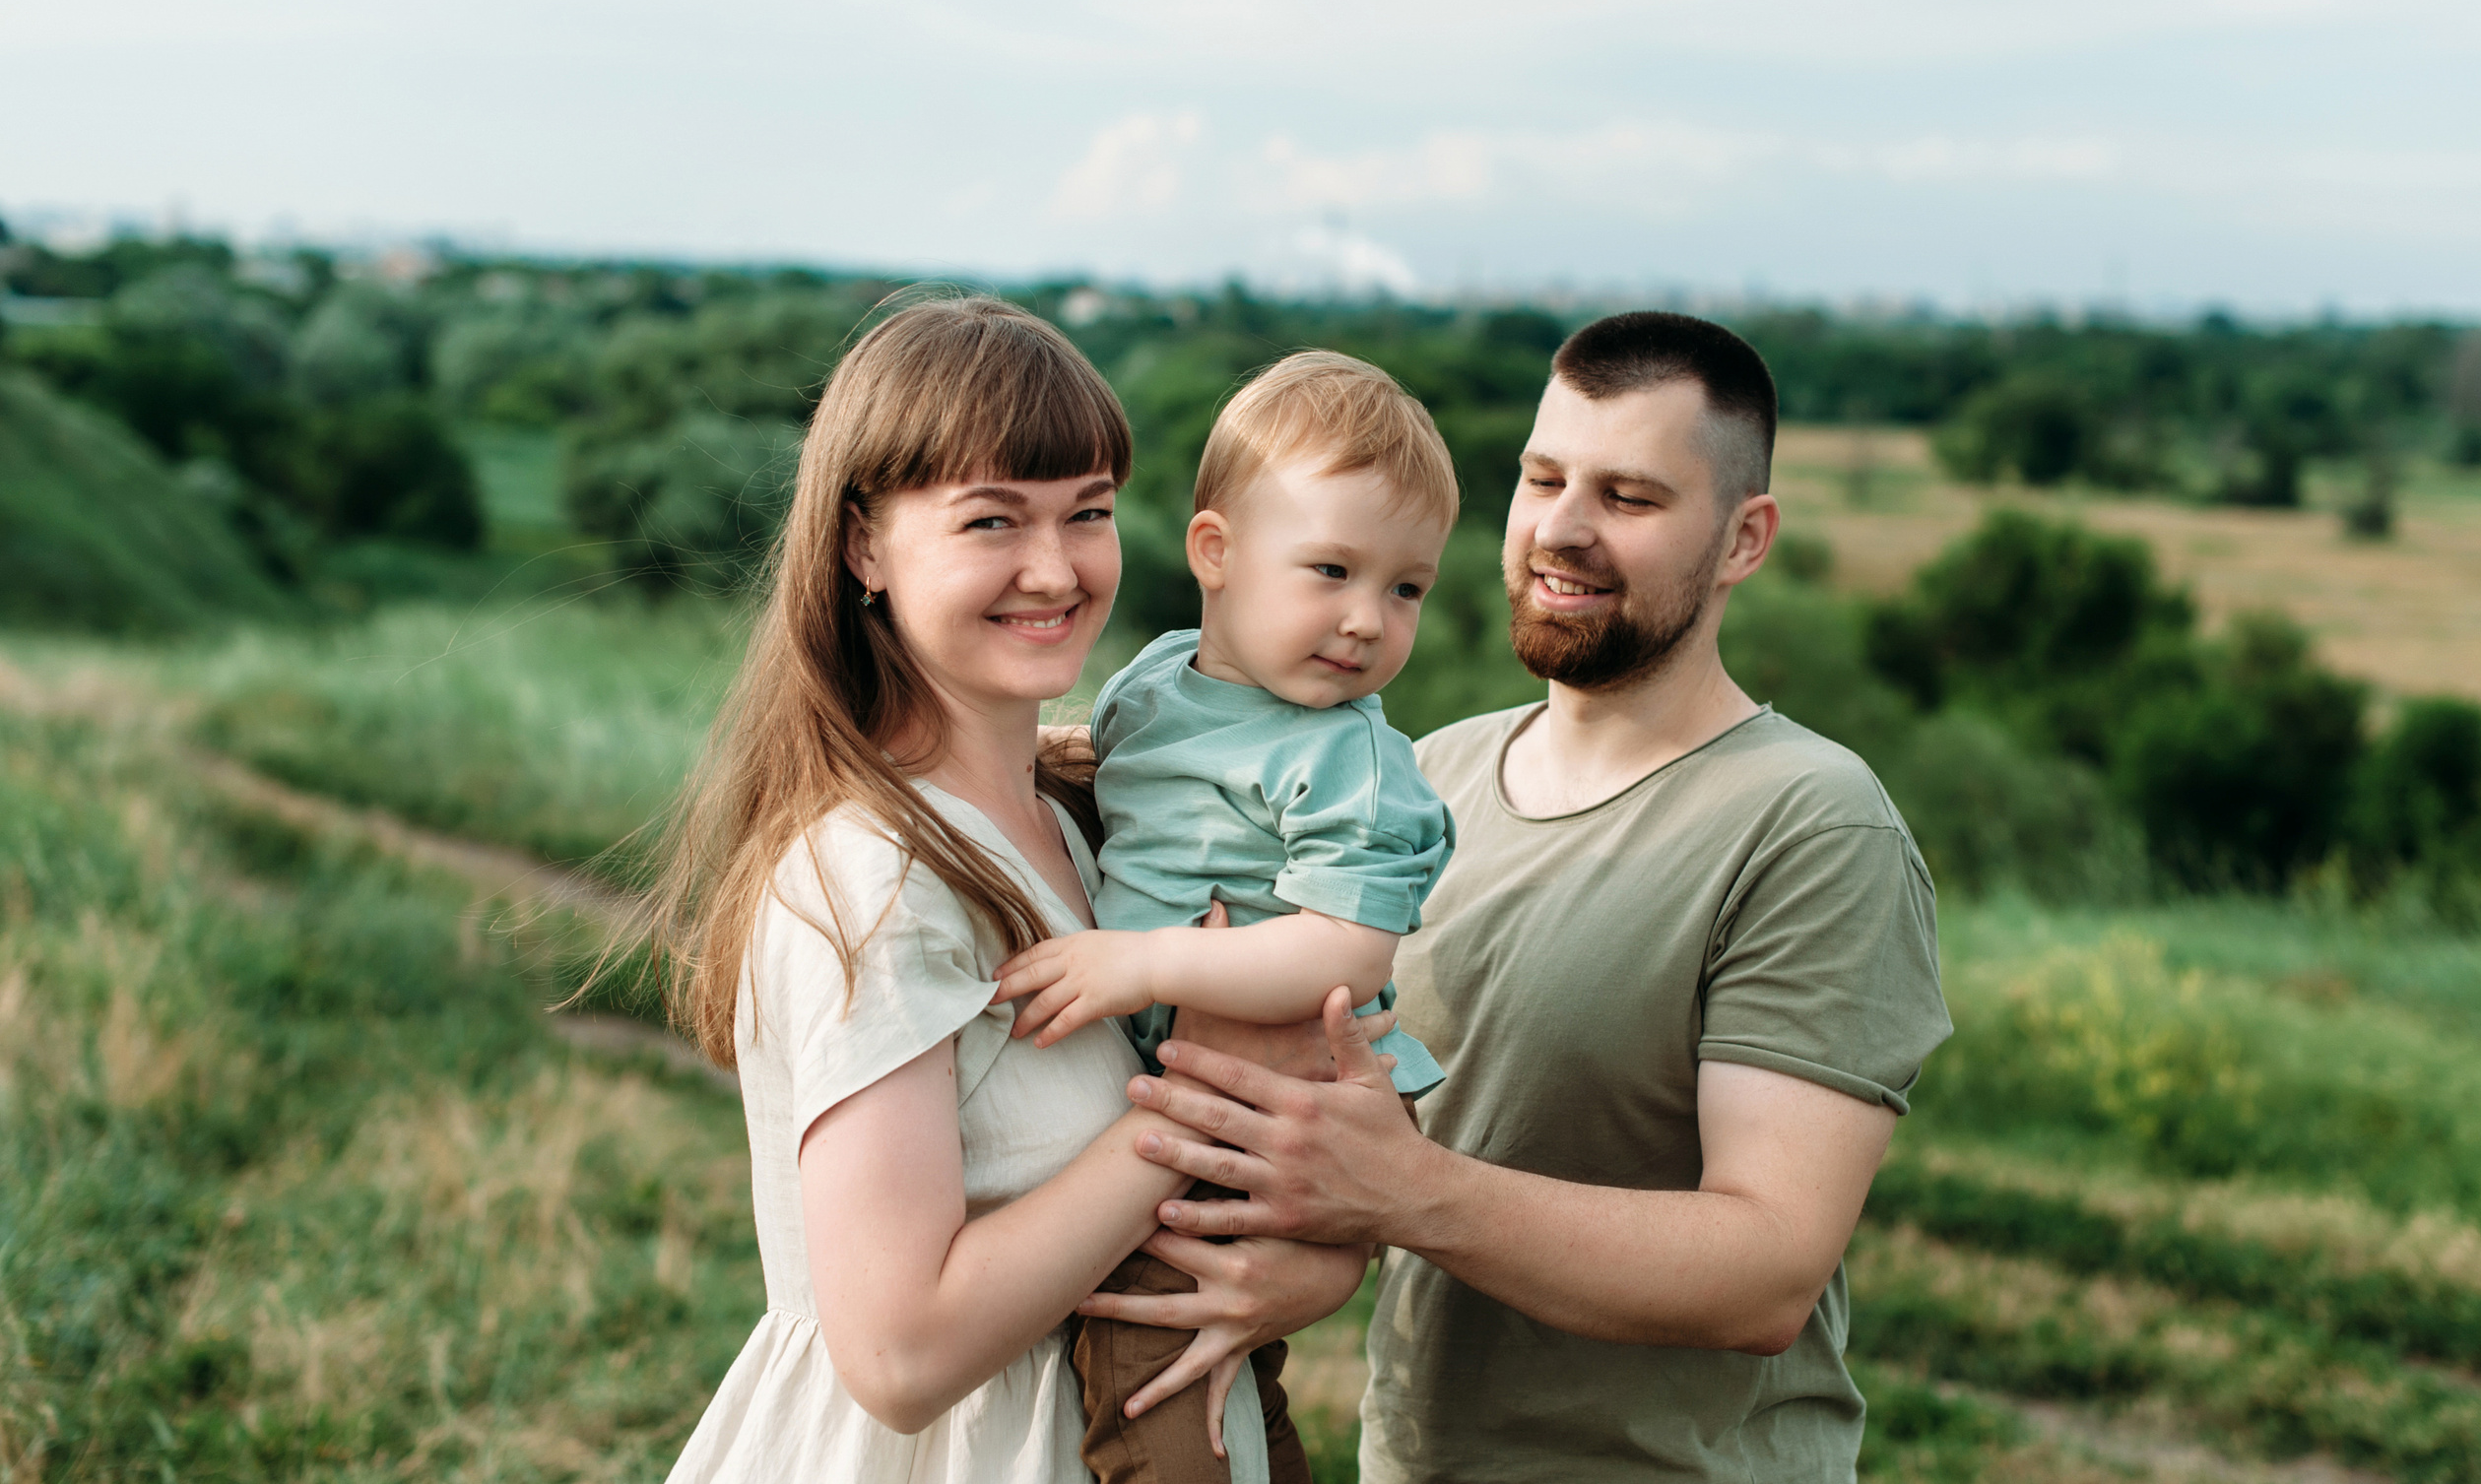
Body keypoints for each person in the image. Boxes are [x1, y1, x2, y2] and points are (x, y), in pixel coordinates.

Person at [1114, 312, 1955, 1482]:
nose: (1562, 527)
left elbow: (1767, 1267)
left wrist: (1407, 1192)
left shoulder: (1809, 820)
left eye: (1631, 495)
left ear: (1743, 538)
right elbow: (1357, 1135)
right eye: (1543, 476)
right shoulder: (1423, 776)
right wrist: (1304, 1252)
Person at [643, 296, 1366, 1484]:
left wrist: (1307, 1265)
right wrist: (1194, 1107)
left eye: (1087, 512)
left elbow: (1307, 1171)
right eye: (992, 520)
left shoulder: (1097, 818)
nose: (1055, 566)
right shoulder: (874, 876)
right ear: (862, 546)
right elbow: (901, 1349)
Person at [993, 353, 1460, 1480]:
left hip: (1263, 1114)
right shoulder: (1151, 683)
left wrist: (1146, 960)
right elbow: (1121, 793)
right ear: (1214, 553)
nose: (1364, 620)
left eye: (1405, 588)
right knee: (1229, 1387)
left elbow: (1343, 949)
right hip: (1185, 1097)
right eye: (1332, 569)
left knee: (1151, 1375)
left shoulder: (1350, 759)